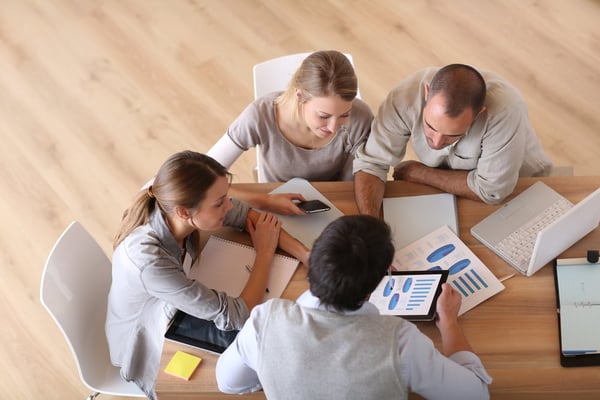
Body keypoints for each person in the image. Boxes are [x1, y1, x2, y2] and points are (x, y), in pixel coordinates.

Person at [216, 215, 492, 399]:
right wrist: (448, 322)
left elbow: (228, 382)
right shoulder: (400, 341)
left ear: (314, 259)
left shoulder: (265, 321)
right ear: (382, 276)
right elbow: (476, 393)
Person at [105, 151, 309, 399]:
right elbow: (238, 315)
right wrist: (264, 253)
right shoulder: (149, 262)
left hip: (174, 301)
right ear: (183, 212)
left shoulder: (169, 199)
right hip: (148, 341)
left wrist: (305, 254)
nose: (230, 205)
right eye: (219, 202)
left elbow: (246, 215)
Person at [353, 63, 553, 217]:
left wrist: (420, 172)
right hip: (457, 186)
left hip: (520, 186)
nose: (437, 143)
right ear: (426, 93)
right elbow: (371, 163)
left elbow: (492, 191)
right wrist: (371, 224)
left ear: (479, 114)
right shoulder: (403, 97)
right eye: (430, 126)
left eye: (452, 135)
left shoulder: (504, 110)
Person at [208, 50, 373, 183]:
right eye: (323, 116)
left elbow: (355, 184)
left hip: (335, 203)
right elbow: (204, 171)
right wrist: (258, 199)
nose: (333, 127)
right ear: (300, 96)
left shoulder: (361, 119)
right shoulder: (260, 116)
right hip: (273, 203)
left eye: (345, 115)